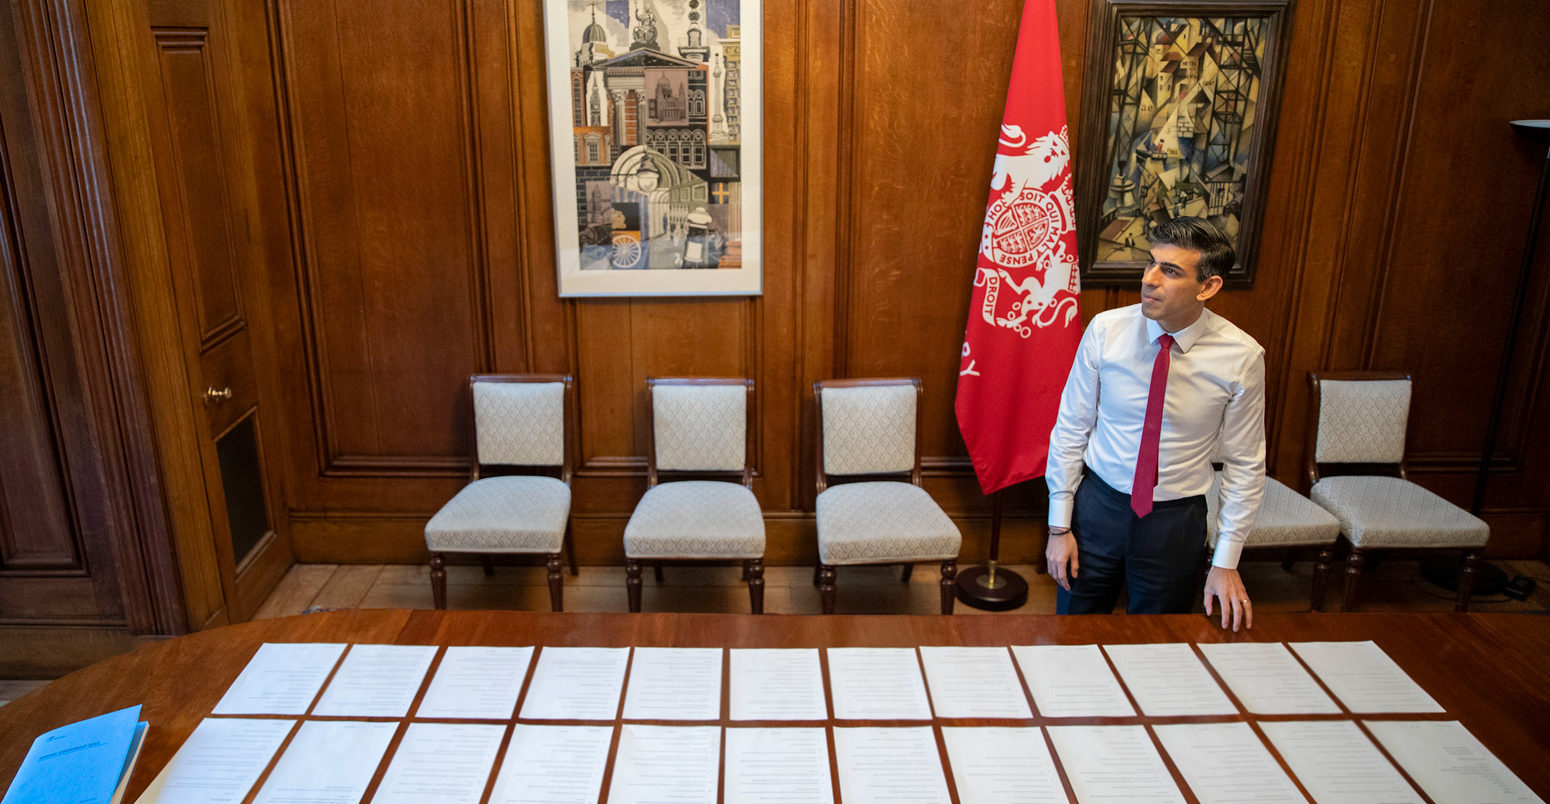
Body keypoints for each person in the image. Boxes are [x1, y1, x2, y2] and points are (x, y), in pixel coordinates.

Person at [1045, 217, 1265, 630]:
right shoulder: (1106, 331)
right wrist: (1059, 528)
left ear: (1208, 287)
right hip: (1098, 508)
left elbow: (1245, 463)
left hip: (1174, 523)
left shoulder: (1242, 357)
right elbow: (1071, 428)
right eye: (1151, 263)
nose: (1149, 279)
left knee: (1157, 640)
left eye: (1170, 271)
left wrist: (1226, 560)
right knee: (1074, 632)